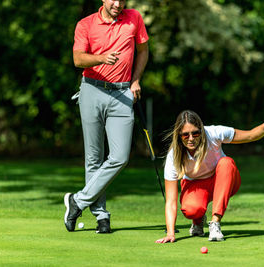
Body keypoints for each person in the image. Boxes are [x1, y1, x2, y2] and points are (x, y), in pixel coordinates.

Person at [64, 0, 149, 234]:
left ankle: (78, 201)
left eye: (122, 0)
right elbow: (78, 59)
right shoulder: (86, 24)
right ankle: (101, 216)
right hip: (92, 90)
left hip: (122, 92)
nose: (118, 4)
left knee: (120, 156)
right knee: (94, 157)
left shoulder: (134, 18)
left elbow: (143, 51)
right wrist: (102, 58)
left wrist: (136, 79)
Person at [155, 107, 264, 243]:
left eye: (196, 133)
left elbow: (250, 135)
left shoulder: (214, 133)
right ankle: (197, 221)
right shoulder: (173, 155)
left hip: (223, 180)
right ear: (179, 135)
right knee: (191, 209)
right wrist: (170, 233)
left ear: (202, 130)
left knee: (226, 163)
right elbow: (171, 201)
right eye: (185, 135)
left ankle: (215, 224)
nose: (191, 139)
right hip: (195, 185)